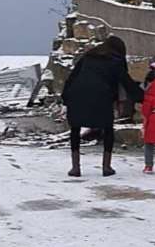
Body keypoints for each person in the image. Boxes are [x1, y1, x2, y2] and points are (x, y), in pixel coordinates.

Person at [60, 35, 143, 177]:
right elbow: (126, 82)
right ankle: (106, 167)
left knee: (75, 129)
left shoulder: (87, 57)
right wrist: (143, 97)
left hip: (77, 95)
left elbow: (71, 78)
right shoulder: (115, 61)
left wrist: (65, 98)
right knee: (107, 129)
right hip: (102, 97)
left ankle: (75, 168)